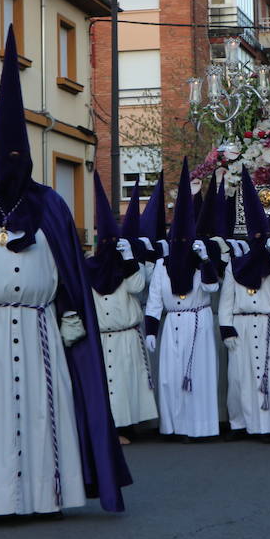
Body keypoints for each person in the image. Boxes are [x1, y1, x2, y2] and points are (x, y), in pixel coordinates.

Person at [0, 25, 131, 523]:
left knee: (41, 414)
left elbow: (69, 272)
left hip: (39, 331)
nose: (13, 164)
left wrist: (69, 311)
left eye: (20, 156)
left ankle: (44, 496)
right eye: (4, 156)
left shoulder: (50, 205)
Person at [145, 159, 223, 440]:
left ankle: (200, 427)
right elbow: (154, 301)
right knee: (169, 377)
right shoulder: (162, 266)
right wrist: (152, 330)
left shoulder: (200, 261)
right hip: (172, 325)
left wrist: (204, 260)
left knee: (199, 377)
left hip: (197, 322)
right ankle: (174, 426)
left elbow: (212, 289)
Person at [220, 168, 270, 440]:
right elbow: (227, 298)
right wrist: (226, 327)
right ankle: (240, 423)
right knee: (238, 377)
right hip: (241, 325)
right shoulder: (236, 264)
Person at [88, 174, 157, 443]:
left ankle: (129, 424)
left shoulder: (126, 268)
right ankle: (111, 429)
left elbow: (138, 286)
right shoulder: (89, 269)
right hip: (103, 336)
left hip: (126, 334)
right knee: (107, 383)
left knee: (129, 381)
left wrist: (128, 259)